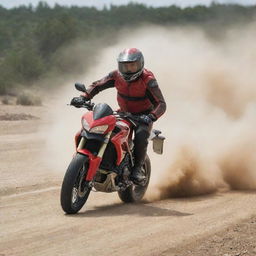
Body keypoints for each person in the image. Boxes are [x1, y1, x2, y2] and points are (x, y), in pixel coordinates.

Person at [71, 48, 166, 184]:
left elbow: (161, 104)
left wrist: (151, 116)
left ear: (140, 64)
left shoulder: (148, 80)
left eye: (132, 65)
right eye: (125, 66)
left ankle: (137, 169)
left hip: (142, 116)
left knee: (141, 135)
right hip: (123, 112)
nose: (128, 69)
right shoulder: (116, 75)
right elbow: (97, 85)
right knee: (101, 125)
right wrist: (84, 96)